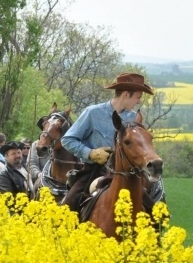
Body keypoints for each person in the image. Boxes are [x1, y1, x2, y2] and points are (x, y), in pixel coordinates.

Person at [61, 73, 155, 213]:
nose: (138, 102)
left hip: (128, 173)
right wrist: (91, 153)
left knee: (156, 212)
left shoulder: (134, 117)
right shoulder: (92, 113)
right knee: (68, 207)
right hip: (94, 170)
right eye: (138, 97)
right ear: (125, 95)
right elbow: (67, 139)